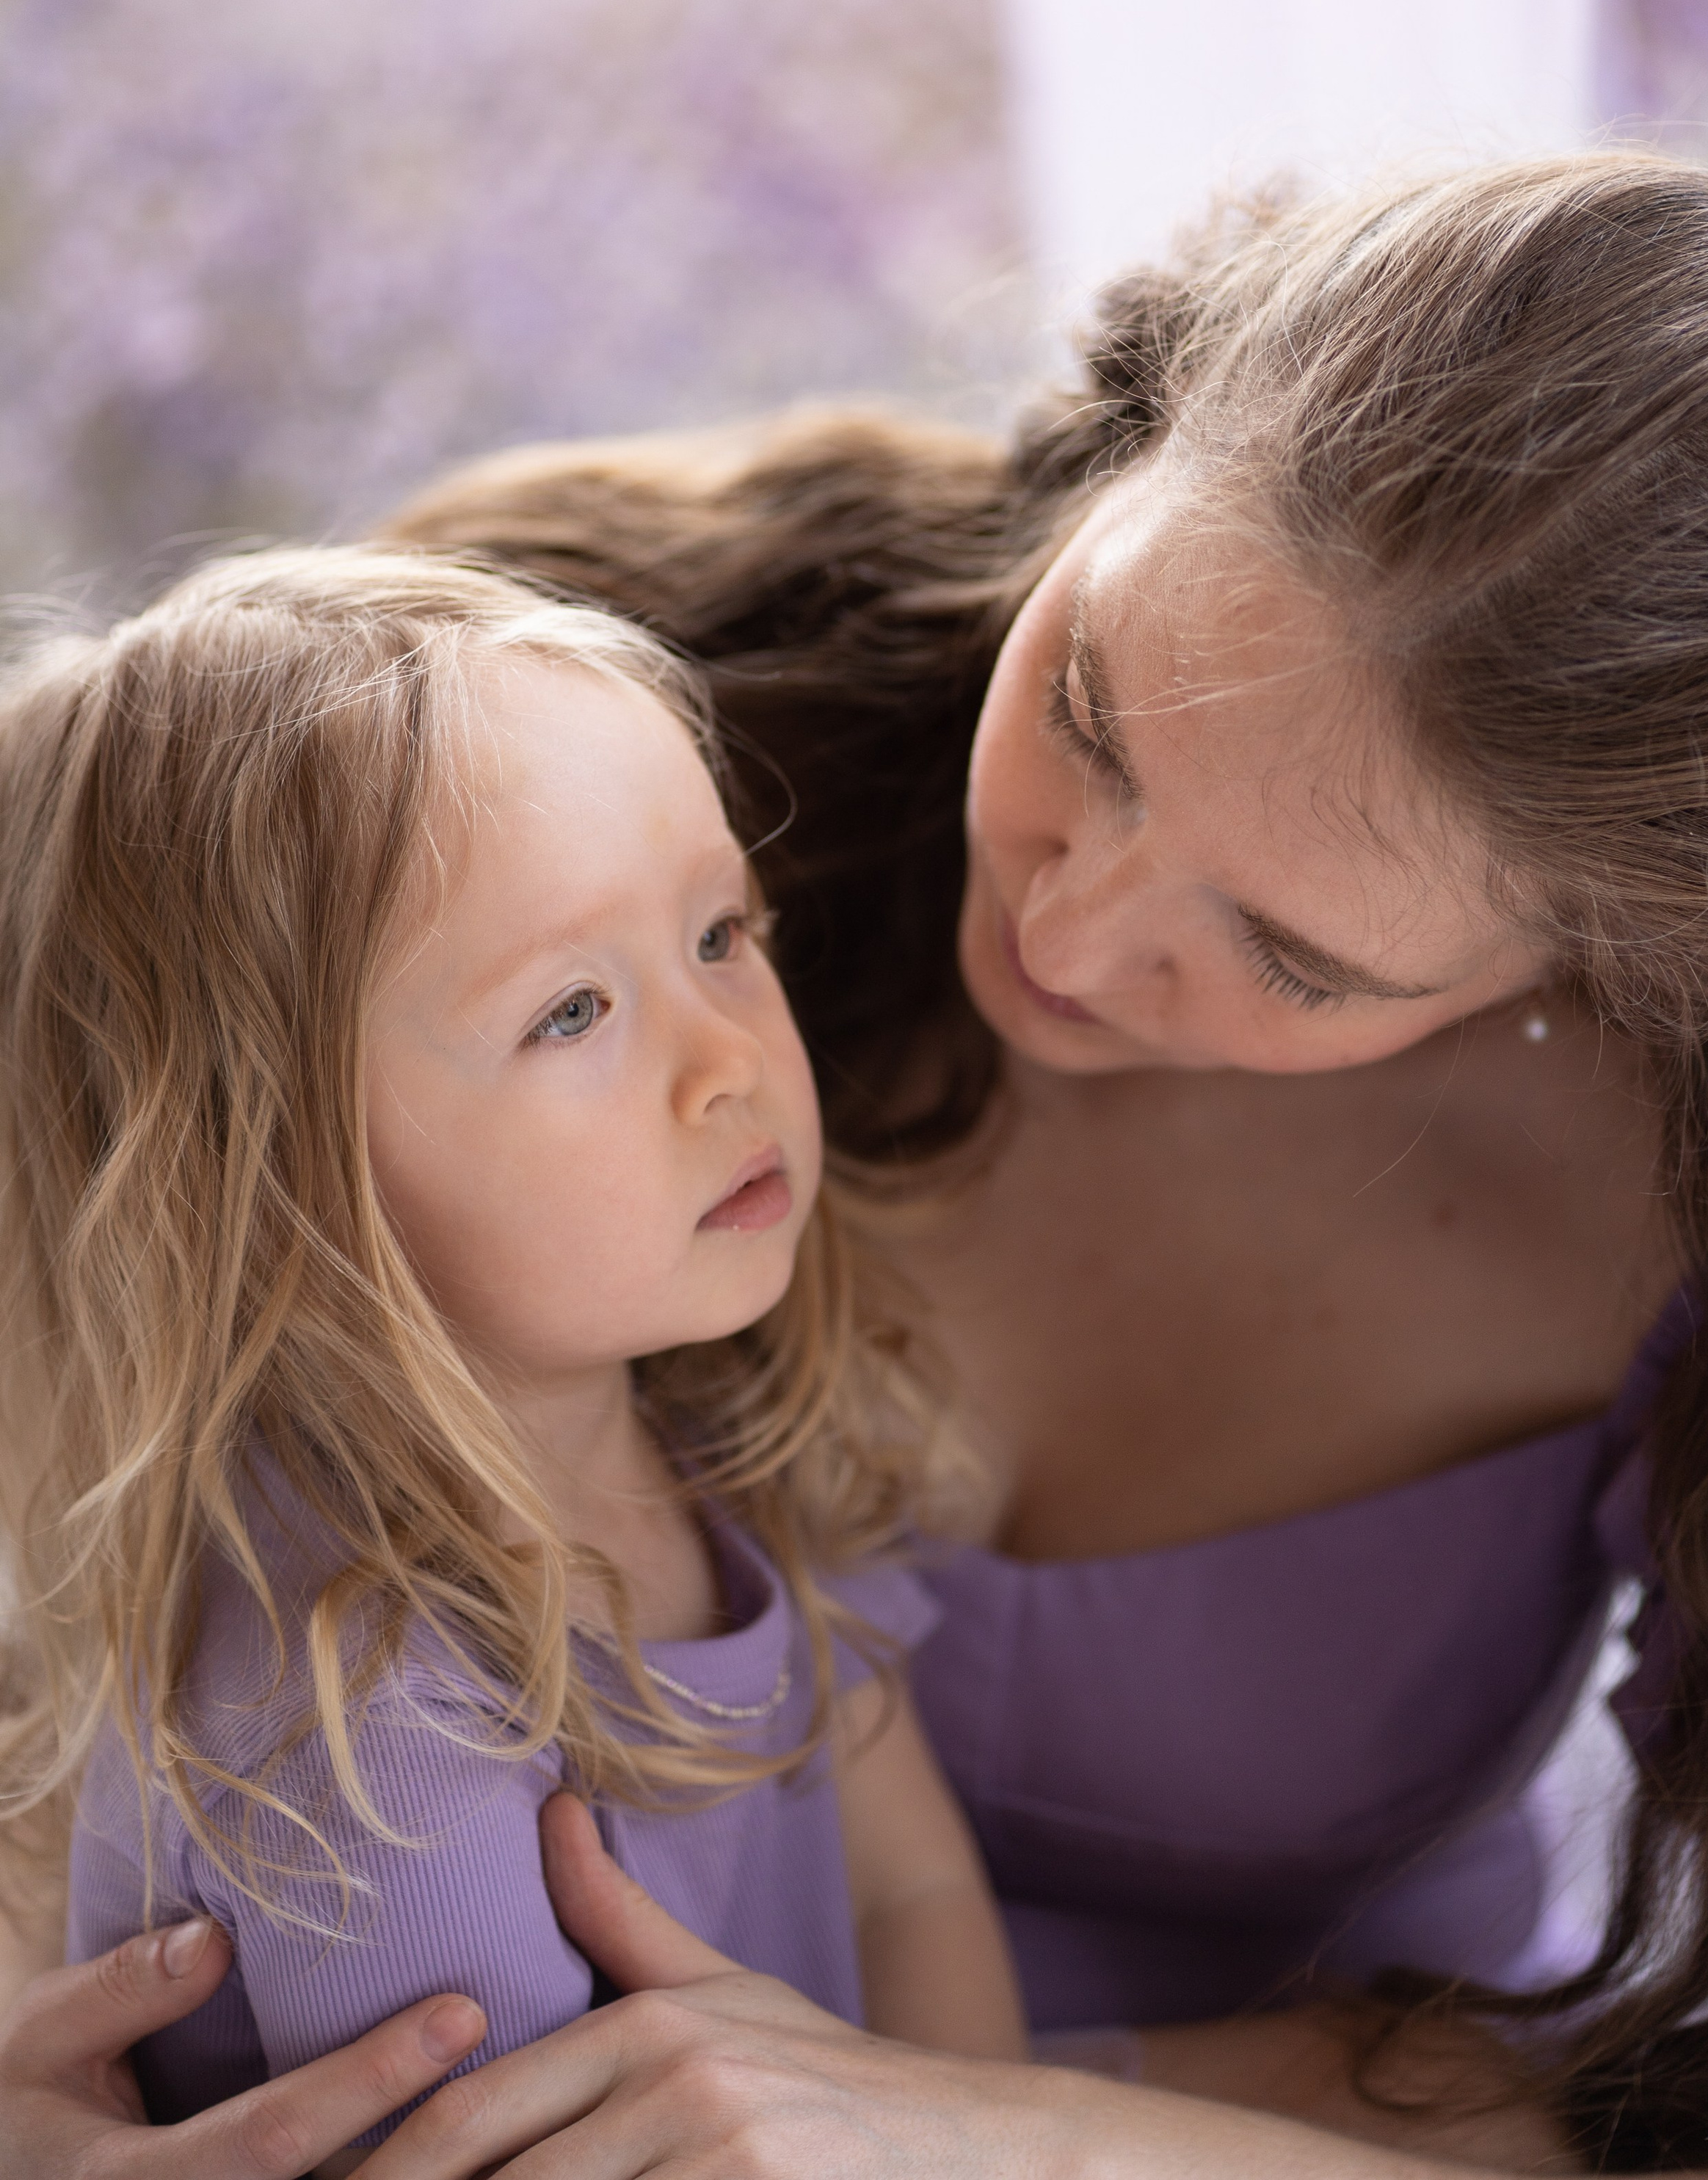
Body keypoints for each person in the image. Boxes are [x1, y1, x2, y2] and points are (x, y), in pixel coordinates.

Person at [13, 124, 1708, 2175]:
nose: (1065, 937)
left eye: (1288, 952)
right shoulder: (550, 707)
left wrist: (1023, 2137)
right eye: (1086, 714)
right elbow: (93, 1313)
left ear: (1613, 963)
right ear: (1139, 442)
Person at [0, 550, 1024, 2162]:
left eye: (717, 935)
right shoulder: (362, 1721)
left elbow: (908, 1885)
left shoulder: (716, 1429)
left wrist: (973, 2135)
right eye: (570, 1012)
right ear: (274, 1187)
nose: (726, 1062)